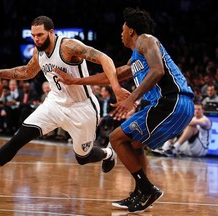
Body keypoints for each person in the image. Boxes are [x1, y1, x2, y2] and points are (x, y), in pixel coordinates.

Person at [0, 15, 126, 194]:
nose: (36, 39)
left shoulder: (68, 46)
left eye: (40, 35)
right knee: (18, 139)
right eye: (33, 35)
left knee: (83, 157)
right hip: (54, 104)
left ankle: (108, 153)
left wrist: (116, 88)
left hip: (81, 108)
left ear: (51, 32)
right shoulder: (38, 52)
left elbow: (105, 59)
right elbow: (27, 72)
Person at [54, 7, 194, 213]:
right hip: (172, 106)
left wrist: (132, 98)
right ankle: (142, 192)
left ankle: (147, 189)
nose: (120, 33)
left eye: (122, 29)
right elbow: (115, 75)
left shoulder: (145, 40)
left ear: (130, 30)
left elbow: (158, 70)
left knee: (116, 138)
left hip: (171, 101)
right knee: (134, 144)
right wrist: (75, 80)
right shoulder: (136, 59)